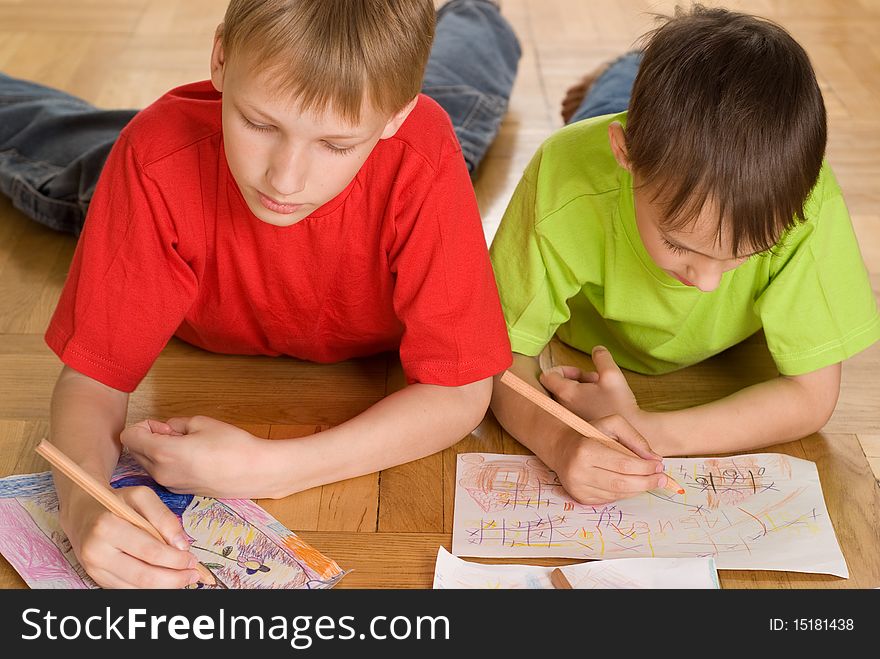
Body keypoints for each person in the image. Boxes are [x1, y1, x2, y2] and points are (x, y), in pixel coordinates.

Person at [0, 0, 537, 589]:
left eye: (335, 145)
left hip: (412, 138)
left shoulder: (420, 151)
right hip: (171, 150)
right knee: (55, 148)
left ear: (394, 117)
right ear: (220, 59)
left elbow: (460, 392)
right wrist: (85, 503)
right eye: (259, 124)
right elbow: (92, 379)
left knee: (468, 91)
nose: (285, 180)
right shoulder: (156, 159)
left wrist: (275, 468)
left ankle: (475, 11)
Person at [489, 5, 880, 506]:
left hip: (645, 153)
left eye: (749, 253)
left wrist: (649, 430)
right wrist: (558, 438)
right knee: (603, 112)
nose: (709, 284)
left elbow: (811, 397)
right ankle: (617, 75)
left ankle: (622, 76)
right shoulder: (562, 180)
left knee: (630, 106)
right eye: (678, 244)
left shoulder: (806, 202)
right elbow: (494, 359)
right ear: (624, 154)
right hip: (604, 161)